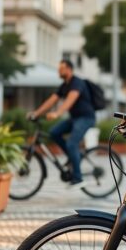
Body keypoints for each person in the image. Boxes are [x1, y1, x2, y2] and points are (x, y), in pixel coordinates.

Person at [29, 60, 96, 188]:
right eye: (58, 68)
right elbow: (51, 100)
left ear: (69, 69)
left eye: (62, 68)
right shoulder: (64, 85)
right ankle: (73, 157)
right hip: (75, 118)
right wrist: (36, 113)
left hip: (86, 118)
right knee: (54, 133)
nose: (59, 71)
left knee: (72, 143)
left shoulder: (77, 83)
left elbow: (70, 100)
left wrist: (57, 113)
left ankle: (78, 178)